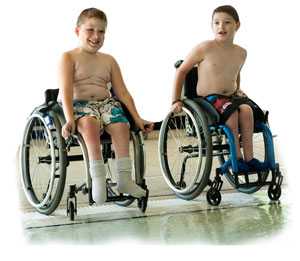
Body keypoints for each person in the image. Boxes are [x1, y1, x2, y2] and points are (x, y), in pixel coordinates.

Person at [59, 7, 153, 205]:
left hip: (106, 104)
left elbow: (123, 93)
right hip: (80, 106)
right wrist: (69, 119)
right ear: (77, 31)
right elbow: (66, 91)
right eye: (90, 30)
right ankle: (98, 179)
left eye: (101, 31)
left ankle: (125, 179)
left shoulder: (109, 60)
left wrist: (138, 119)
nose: (96, 36)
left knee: (121, 126)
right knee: (90, 125)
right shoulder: (69, 57)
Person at [171, 5, 268, 173]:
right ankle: (236, 158)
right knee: (232, 113)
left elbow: (236, 73)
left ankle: (249, 158)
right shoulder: (204, 48)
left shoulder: (241, 53)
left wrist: (238, 89)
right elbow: (181, 71)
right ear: (211, 25)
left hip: (231, 97)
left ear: (237, 25)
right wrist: (175, 100)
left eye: (227, 23)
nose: (221, 27)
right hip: (208, 100)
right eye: (216, 23)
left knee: (247, 111)